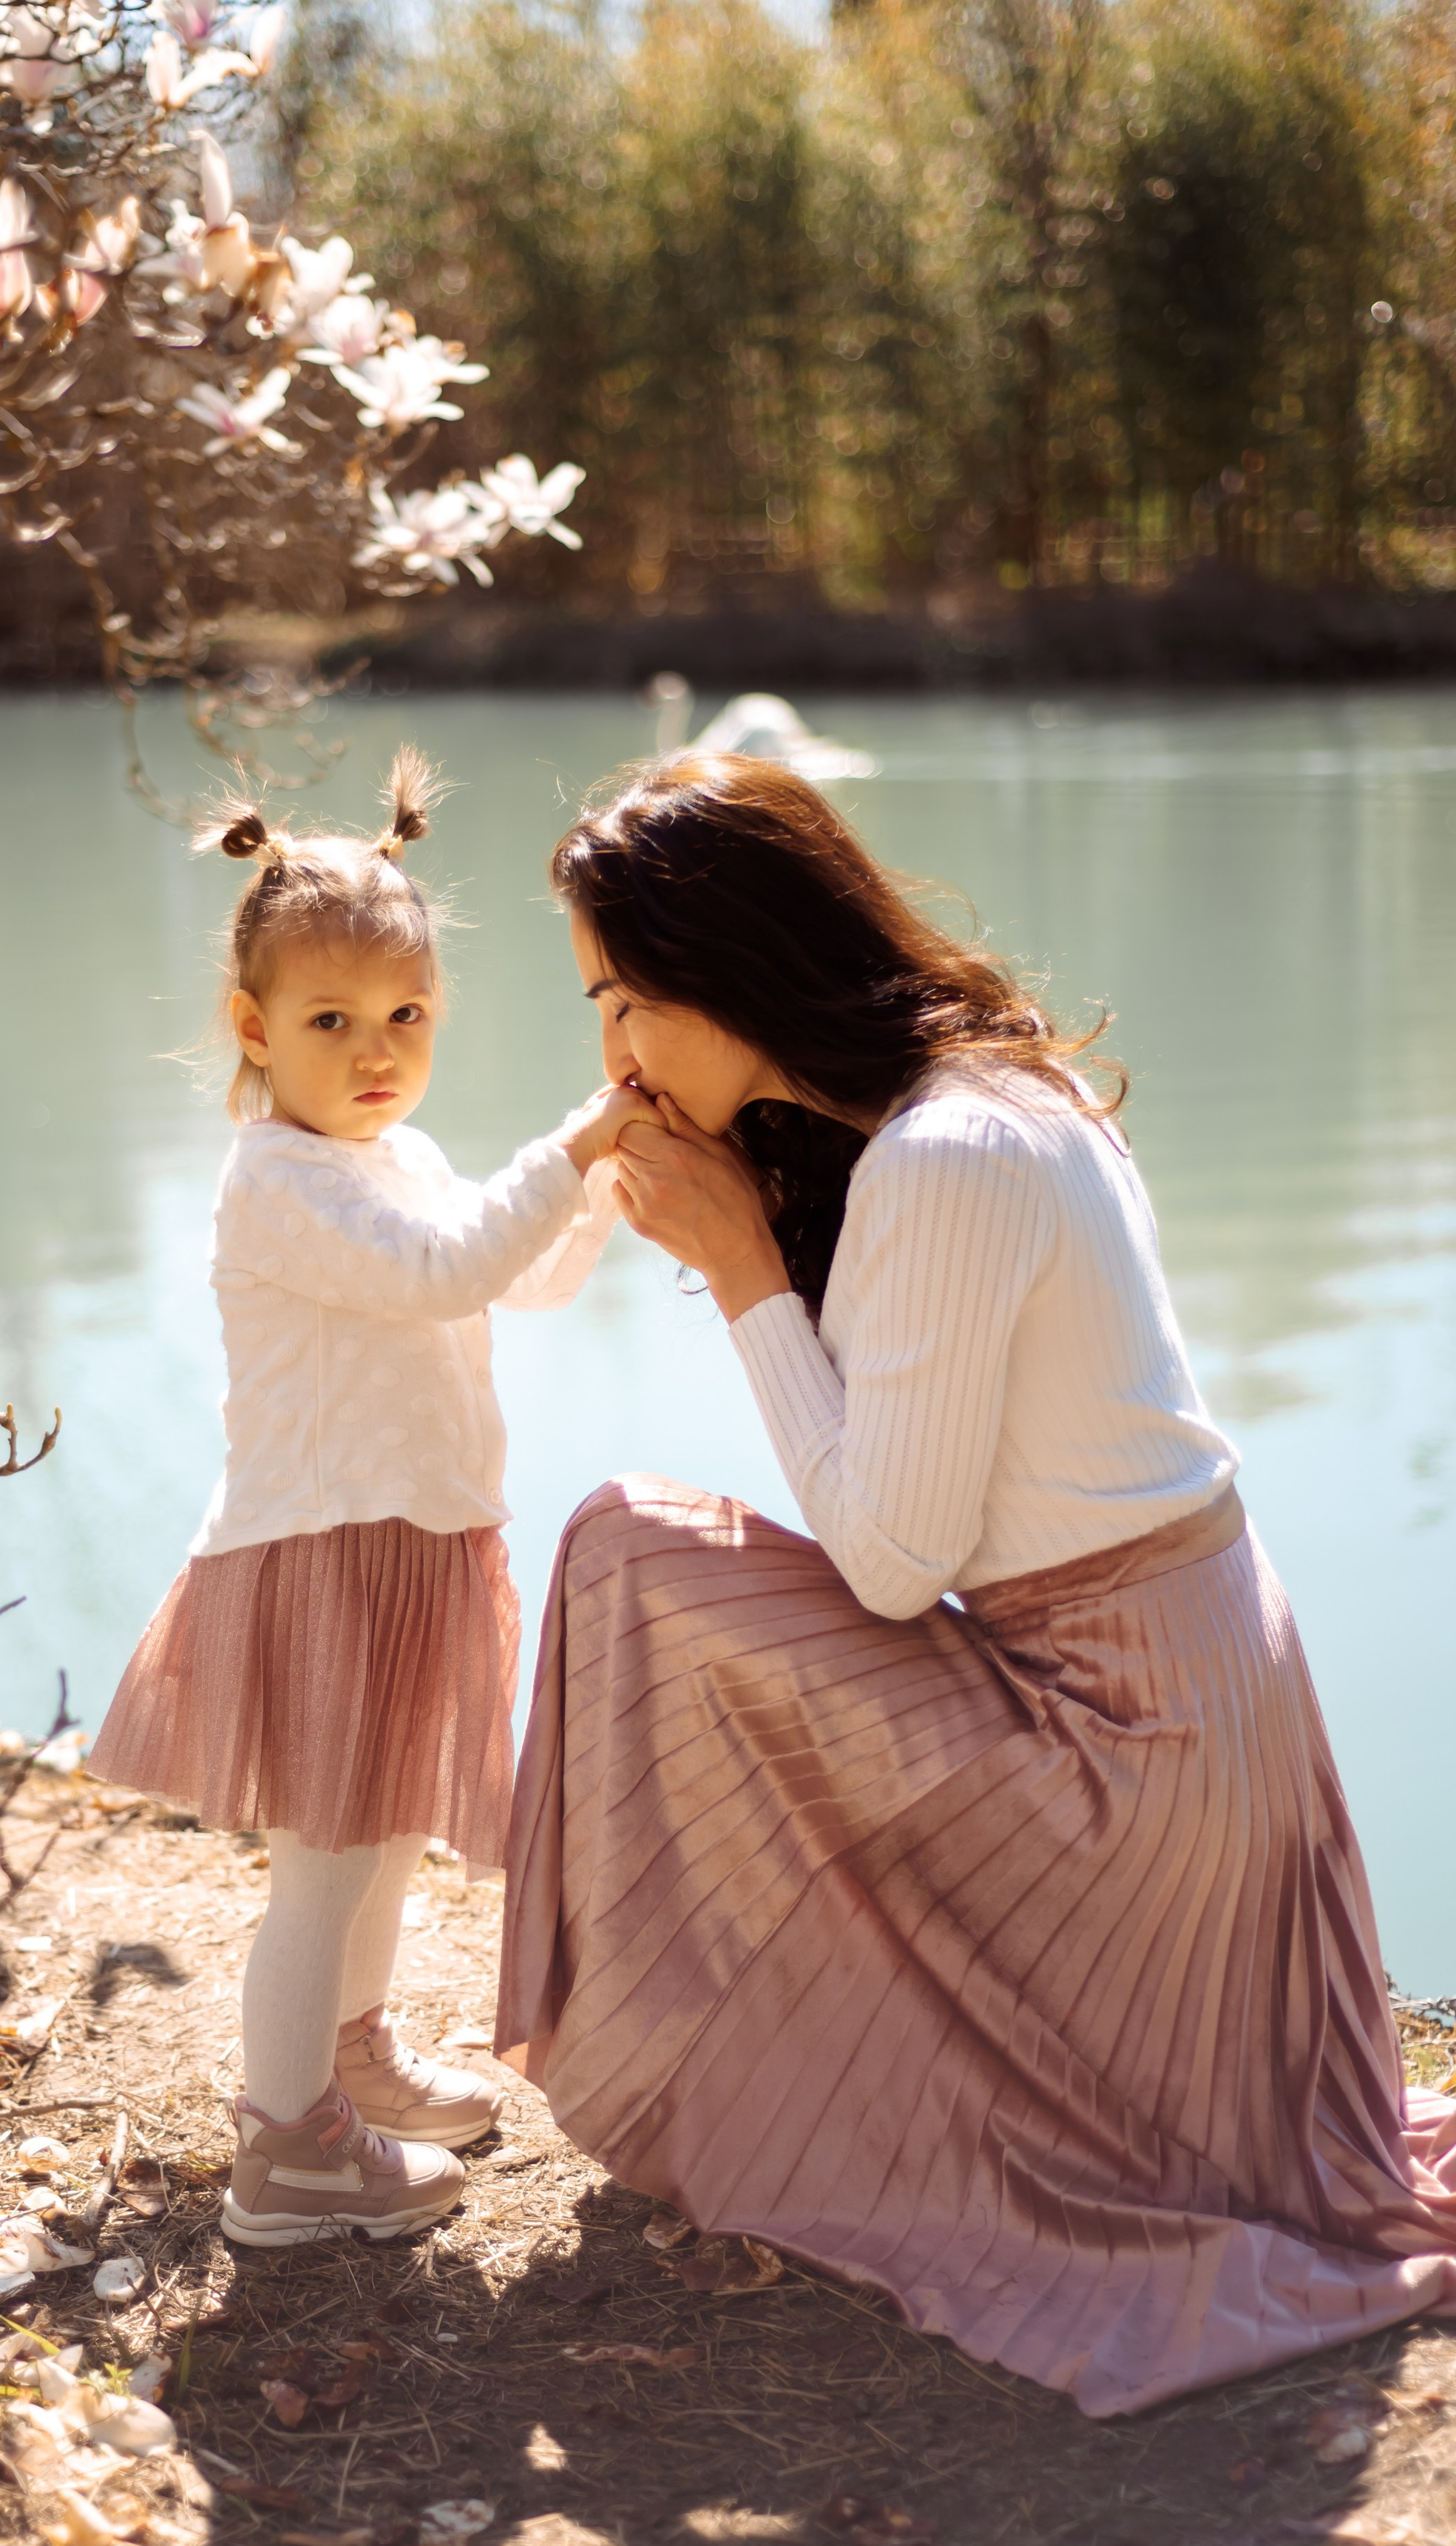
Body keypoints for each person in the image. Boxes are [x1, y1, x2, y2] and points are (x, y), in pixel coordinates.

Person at [495, 748, 1456, 2417]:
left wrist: (737, 1271)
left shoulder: (943, 1160)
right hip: (1199, 1712)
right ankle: (736, 2035)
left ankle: (693, 2052)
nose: (613, 1053)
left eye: (622, 1000)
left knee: (628, 1551)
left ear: (725, 977)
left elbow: (884, 1570)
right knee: (645, 1552)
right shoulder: (988, 1096)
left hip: (1126, 1760)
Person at [92, 750, 641, 2249]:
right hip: (324, 1550)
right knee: (323, 1871)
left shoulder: (392, 1154)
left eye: (402, 1016)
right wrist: (574, 1140)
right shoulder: (275, 1179)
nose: (373, 1050)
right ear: (254, 1029)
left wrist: (595, 1189)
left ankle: (347, 2059)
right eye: (329, 1023)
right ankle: (283, 2159)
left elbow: (512, 1274)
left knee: (385, 1836)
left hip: (412, 1538)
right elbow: (439, 1269)